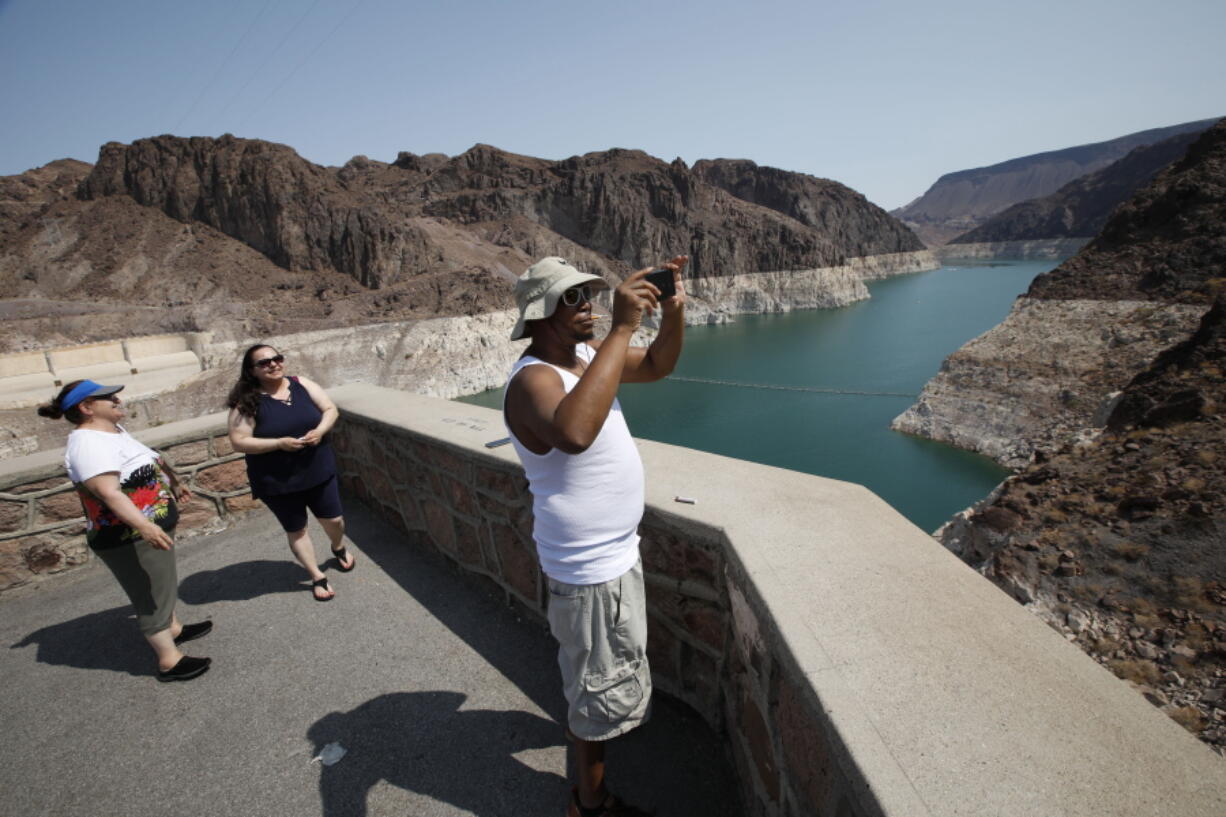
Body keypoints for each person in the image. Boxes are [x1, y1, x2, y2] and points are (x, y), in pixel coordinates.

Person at [502, 255, 688, 817]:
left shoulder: (584, 357)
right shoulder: (533, 377)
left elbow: (656, 365)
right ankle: (592, 802)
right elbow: (574, 433)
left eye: (589, 295)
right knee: (593, 692)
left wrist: (672, 314)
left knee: (604, 675)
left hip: (613, 555)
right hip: (586, 570)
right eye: (573, 299)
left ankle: (592, 782)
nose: (588, 307)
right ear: (541, 314)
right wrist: (623, 326)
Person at [37, 380, 212, 682]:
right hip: (126, 536)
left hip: (146, 528)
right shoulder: (88, 444)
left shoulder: (111, 432)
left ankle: (173, 629)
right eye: (108, 397)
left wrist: (174, 483)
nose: (117, 399)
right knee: (149, 594)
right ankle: (169, 660)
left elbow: (147, 462)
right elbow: (109, 493)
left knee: (161, 585)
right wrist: (144, 525)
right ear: (87, 407)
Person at [226, 344, 354, 601]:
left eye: (277, 358)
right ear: (252, 371)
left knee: (334, 520)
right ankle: (317, 575)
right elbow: (239, 441)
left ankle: (338, 546)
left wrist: (319, 431)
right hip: (277, 480)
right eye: (264, 363)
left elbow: (330, 409)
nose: (273, 364)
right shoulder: (247, 402)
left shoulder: (301, 384)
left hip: (317, 468)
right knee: (297, 530)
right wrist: (278, 443)